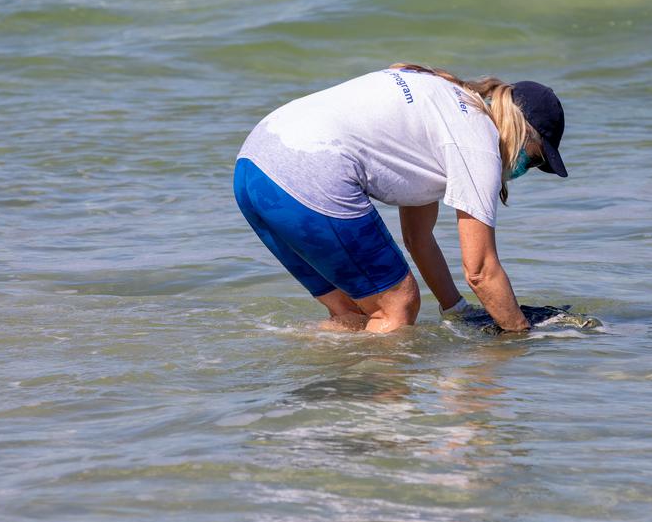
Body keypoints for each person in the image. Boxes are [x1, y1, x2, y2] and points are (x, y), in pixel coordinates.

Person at [233, 63, 568, 333]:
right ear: (522, 133)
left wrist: (457, 311)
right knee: (399, 305)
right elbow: (480, 271)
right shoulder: (477, 141)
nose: (526, 169)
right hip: (309, 169)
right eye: (536, 159)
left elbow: (418, 238)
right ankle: (381, 413)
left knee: (352, 315)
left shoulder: (446, 102)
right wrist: (519, 335)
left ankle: (324, 404)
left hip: (254, 165)